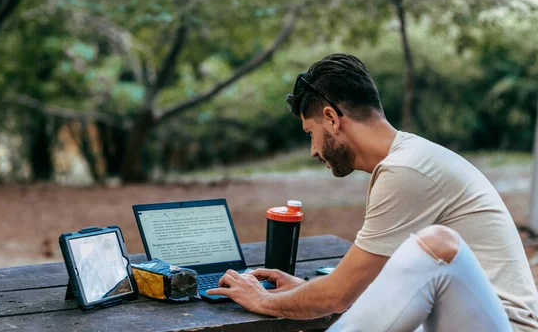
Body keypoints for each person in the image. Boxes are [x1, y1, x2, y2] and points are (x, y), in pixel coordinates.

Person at [206, 53, 538, 331]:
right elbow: (377, 285)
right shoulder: (408, 159)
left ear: (332, 119)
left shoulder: (407, 170)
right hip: (454, 318)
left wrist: (262, 299)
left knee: (438, 245)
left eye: (311, 133)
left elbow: (339, 295)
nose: (312, 150)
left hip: (505, 325)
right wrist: (306, 291)